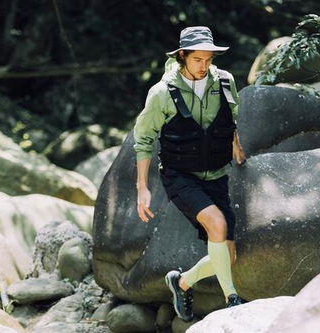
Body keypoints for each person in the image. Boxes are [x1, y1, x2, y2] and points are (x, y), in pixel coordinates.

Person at [133, 26, 246, 321]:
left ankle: (181, 282)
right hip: (180, 175)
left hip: (216, 173)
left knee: (228, 256)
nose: (203, 66)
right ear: (182, 55)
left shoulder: (224, 81)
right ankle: (232, 300)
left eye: (208, 60)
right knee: (217, 224)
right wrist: (142, 189)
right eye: (197, 60)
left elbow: (230, 117)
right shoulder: (161, 94)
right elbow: (143, 140)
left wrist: (236, 144)